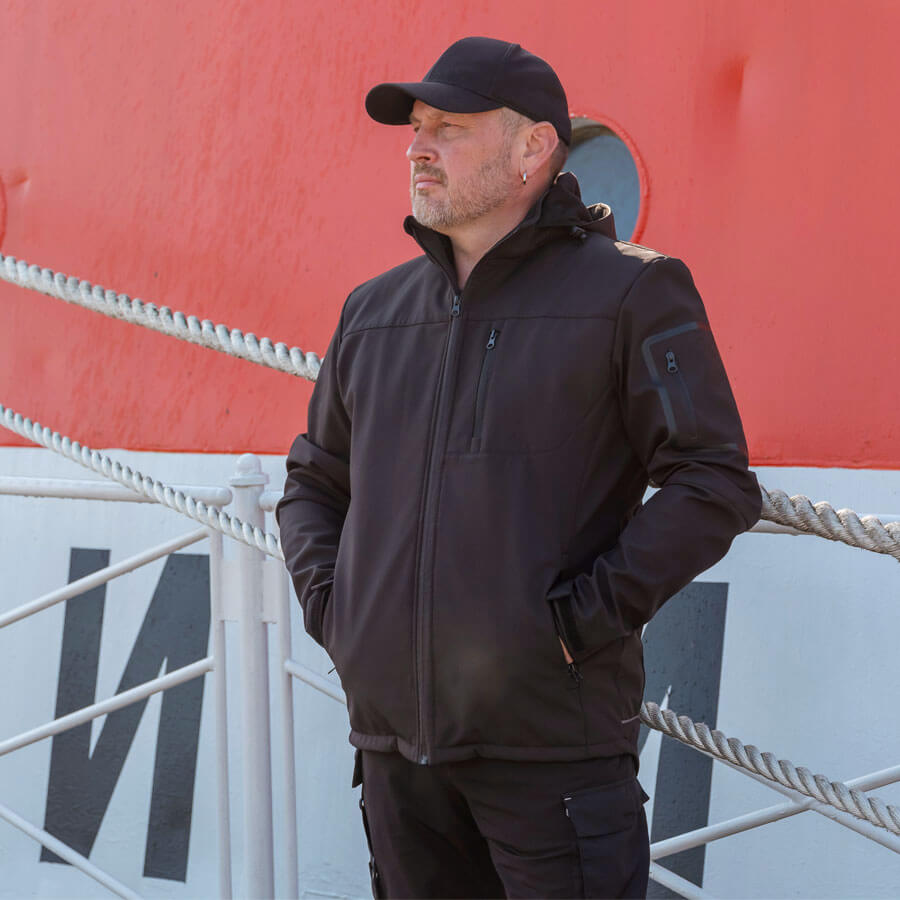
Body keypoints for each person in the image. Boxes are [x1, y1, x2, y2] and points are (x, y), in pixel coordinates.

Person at [276, 36, 761, 899]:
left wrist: (569, 628)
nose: (419, 148)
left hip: (552, 759)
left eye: (450, 128)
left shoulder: (632, 293)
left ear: (534, 147)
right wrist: (338, 613)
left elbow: (712, 480)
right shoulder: (373, 312)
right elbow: (314, 483)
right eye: (416, 128)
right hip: (397, 760)